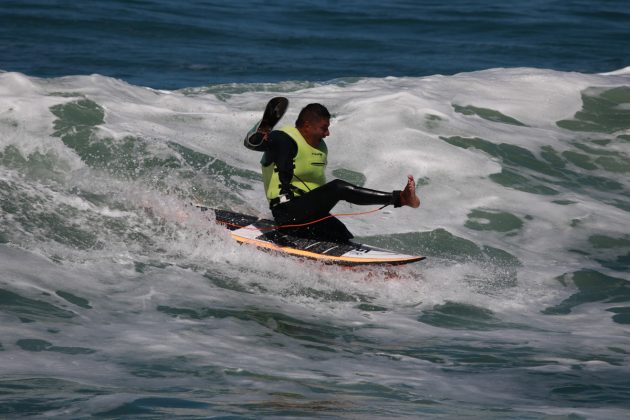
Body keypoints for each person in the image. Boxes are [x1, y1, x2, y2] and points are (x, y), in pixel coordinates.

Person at [246, 101, 420, 242]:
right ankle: (400, 198)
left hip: (308, 214)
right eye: (323, 128)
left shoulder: (320, 148)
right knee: (338, 188)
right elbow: (257, 145)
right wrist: (261, 136)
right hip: (286, 212)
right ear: (307, 125)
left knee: (342, 235)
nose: (328, 133)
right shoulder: (284, 138)